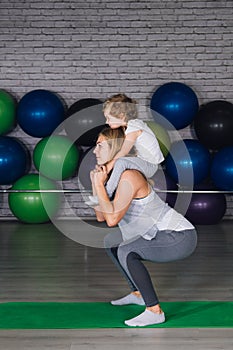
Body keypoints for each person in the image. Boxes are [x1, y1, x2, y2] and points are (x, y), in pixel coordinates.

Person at [90, 127, 197, 327]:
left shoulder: (129, 176)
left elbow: (112, 220)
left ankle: (154, 311)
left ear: (114, 150)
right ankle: (138, 293)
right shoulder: (112, 178)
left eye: (99, 146)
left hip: (179, 236)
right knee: (111, 242)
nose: (94, 151)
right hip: (157, 234)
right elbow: (101, 218)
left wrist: (98, 187)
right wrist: (97, 185)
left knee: (127, 250)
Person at [85, 93, 164, 206]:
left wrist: (108, 167)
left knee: (121, 161)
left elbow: (122, 152)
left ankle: (105, 194)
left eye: (108, 118)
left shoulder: (133, 129)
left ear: (121, 116)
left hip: (150, 166)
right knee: (122, 162)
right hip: (144, 161)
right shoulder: (133, 124)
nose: (106, 122)